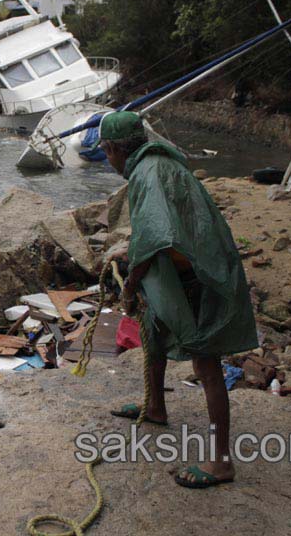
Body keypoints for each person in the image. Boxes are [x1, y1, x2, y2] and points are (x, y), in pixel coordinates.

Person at [98, 111, 258, 488]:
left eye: (106, 153)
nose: (108, 160)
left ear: (112, 148)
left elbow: (155, 237)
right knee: (153, 333)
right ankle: (155, 407)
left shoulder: (146, 173)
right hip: (179, 269)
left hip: (194, 275)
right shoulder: (157, 161)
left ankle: (221, 463)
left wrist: (131, 281)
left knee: (206, 365)